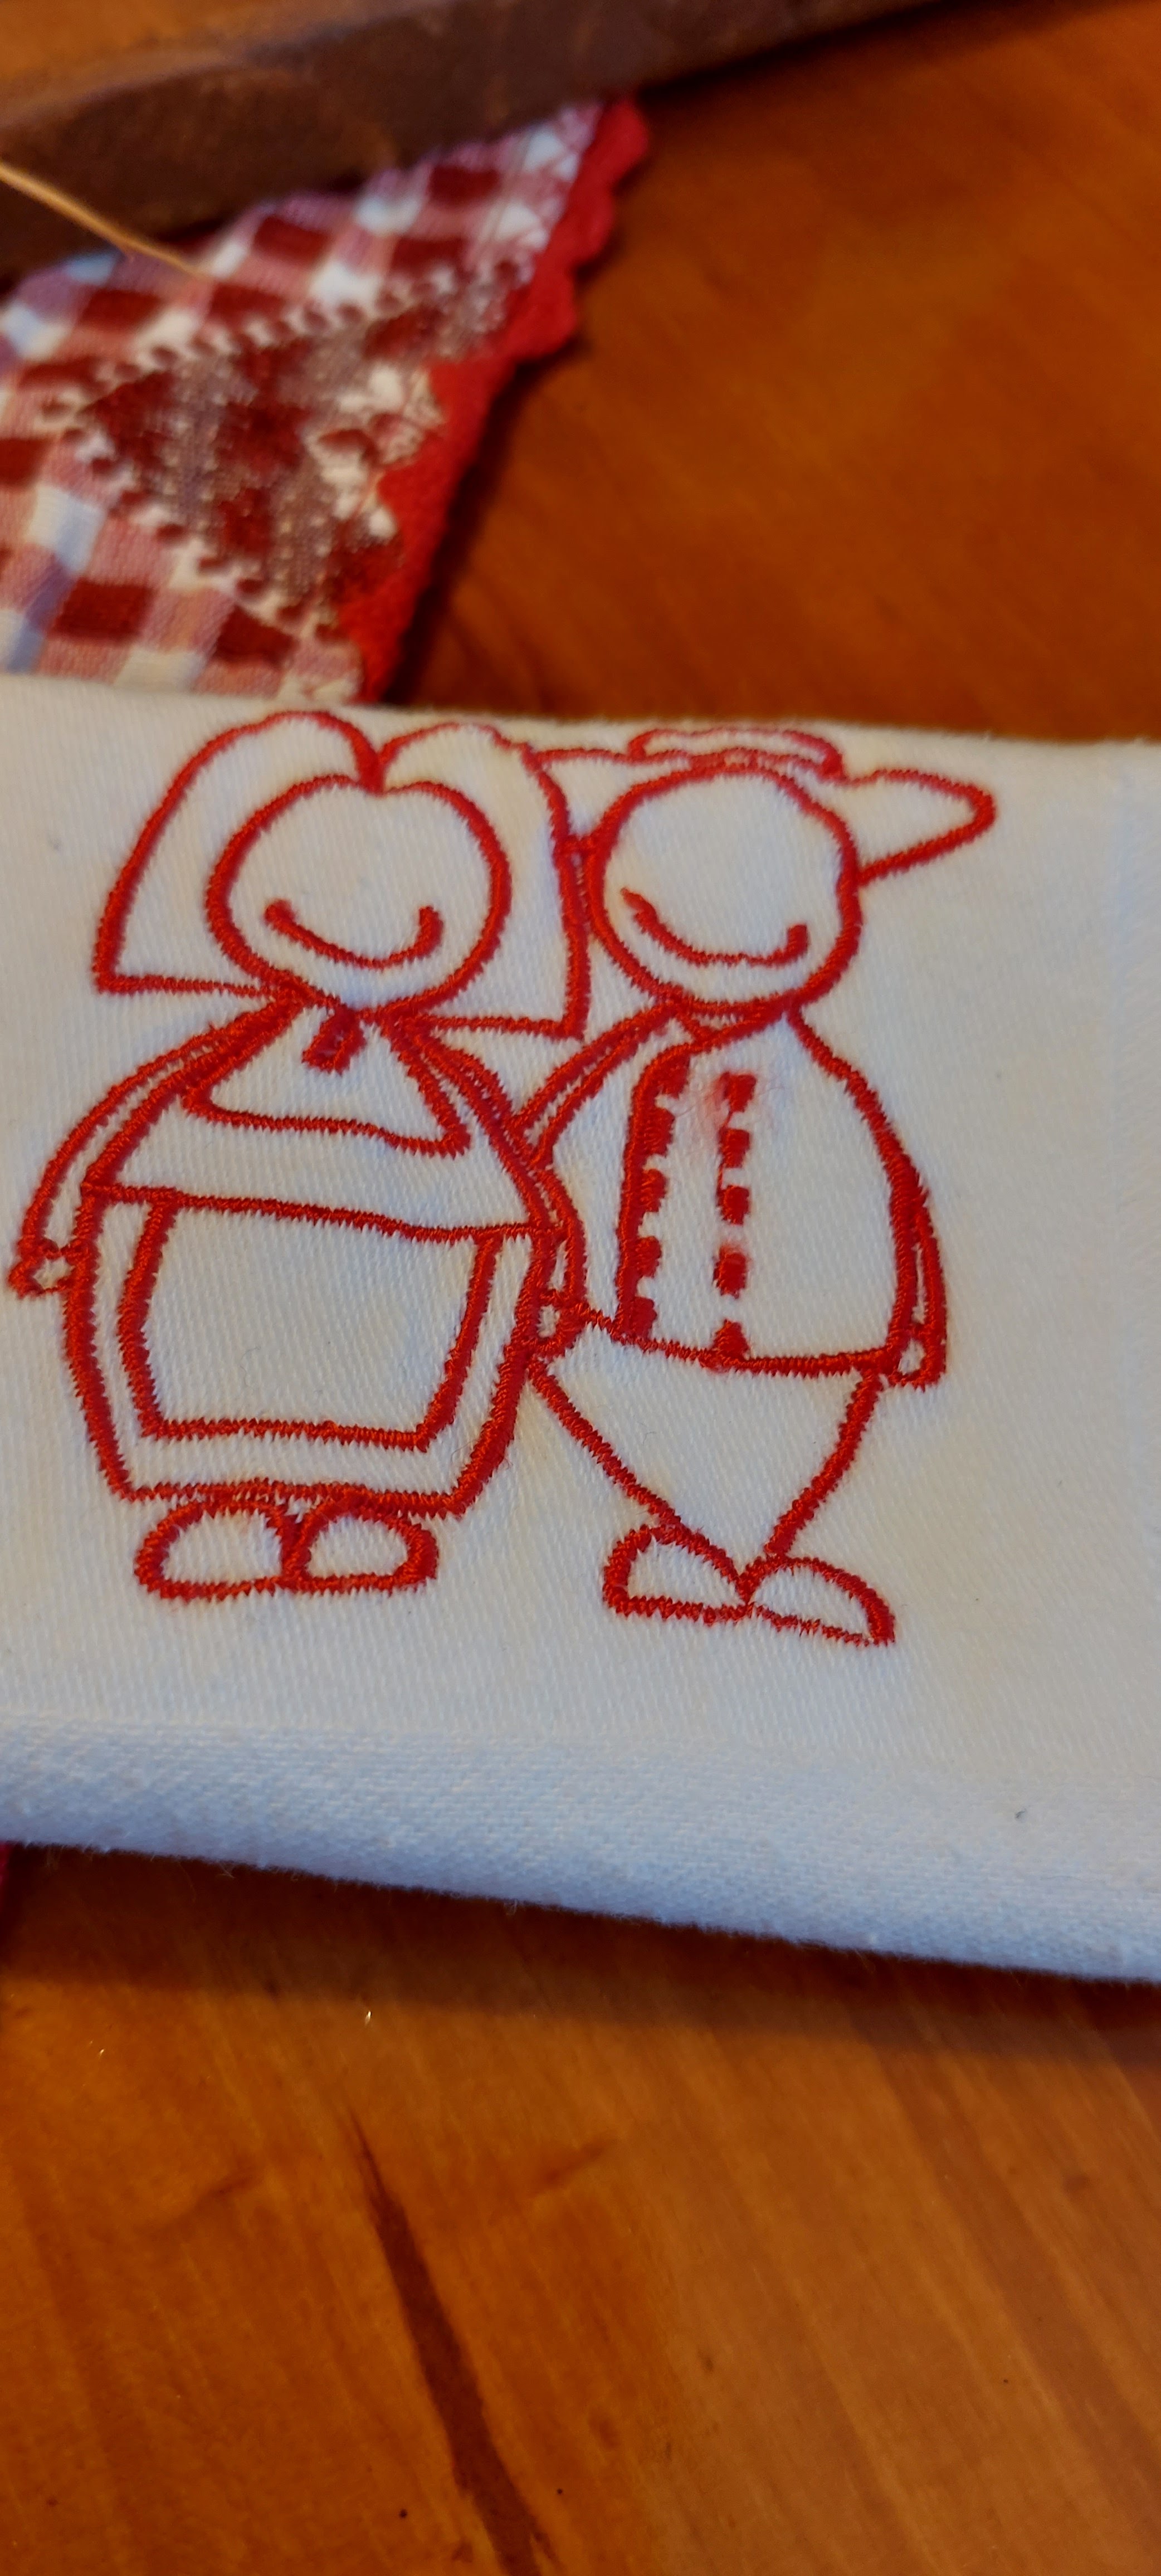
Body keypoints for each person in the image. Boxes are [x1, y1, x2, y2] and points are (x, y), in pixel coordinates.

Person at [12, 710, 575, 1599]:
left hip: (388, 1273)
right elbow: (115, 1131)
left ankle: (351, 1508)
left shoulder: (447, 1091)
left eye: (425, 919)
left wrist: (550, 1284)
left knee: (386, 1384)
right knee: (199, 1372)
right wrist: (55, 1234)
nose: (365, 934)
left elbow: (524, 1185)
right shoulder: (227, 1061)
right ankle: (226, 1504)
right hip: (202, 1243)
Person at [523, 728, 995, 1643]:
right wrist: (541, 1280)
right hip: (623, 1326)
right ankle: (707, 1553)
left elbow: (890, 1202)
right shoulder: (617, 1076)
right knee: (637, 1404)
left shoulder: (827, 1097)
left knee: (794, 1423)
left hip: (803, 1335)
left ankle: (758, 1562)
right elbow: (543, 1164)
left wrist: (910, 1319)